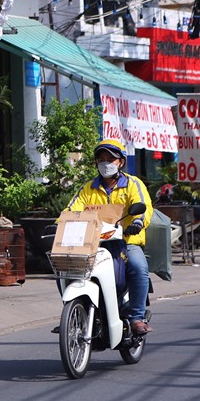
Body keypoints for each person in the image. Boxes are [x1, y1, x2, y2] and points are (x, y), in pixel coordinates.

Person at [65, 138, 154, 334]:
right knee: (66, 266)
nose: (105, 163)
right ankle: (75, 315)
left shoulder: (133, 184)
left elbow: (143, 207)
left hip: (126, 242)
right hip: (94, 244)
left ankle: (137, 317)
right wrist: (59, 225)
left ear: (121, 162)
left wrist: (138, 223)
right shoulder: (88, 188)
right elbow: (72, 210)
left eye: (110, 159)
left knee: (139, 267)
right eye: (101, 159)